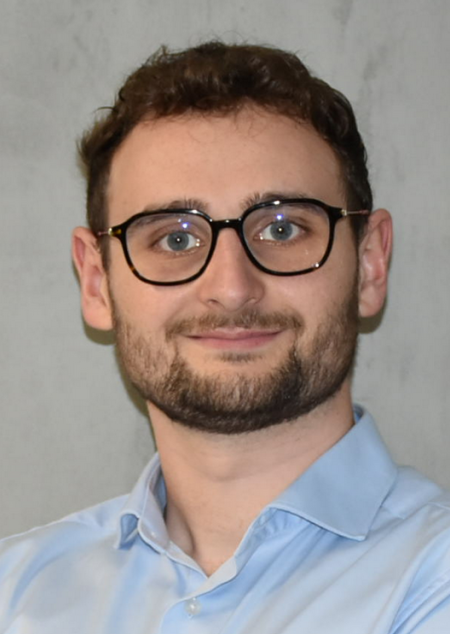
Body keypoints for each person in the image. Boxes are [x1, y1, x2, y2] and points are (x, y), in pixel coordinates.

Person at [1, 41, 449, 634]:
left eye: (282, 229)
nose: (232, 289)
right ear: (96, 282)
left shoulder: (434, 577)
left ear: (369, 264)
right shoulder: (15, 591)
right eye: (175, 239)